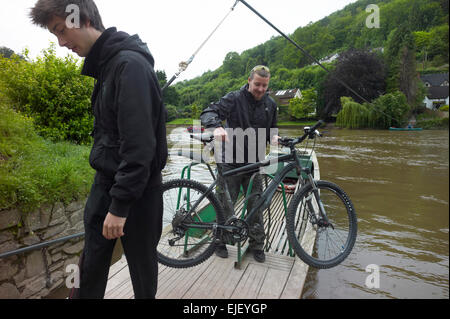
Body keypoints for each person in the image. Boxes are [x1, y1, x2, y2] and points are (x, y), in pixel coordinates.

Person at [30, 0, 168, 299]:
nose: (61, 42)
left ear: (82, 19)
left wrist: (119, 207)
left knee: (143, 272)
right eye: (55, 35)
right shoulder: (106, 67)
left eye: (61, 30)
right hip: (104, 185)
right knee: (89, 266)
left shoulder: (129, 66)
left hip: (139, 194)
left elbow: (140, 146)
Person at [200, 65, 279, 263]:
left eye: (265, 85)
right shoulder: (234, 98)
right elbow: (209, 111)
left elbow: (272, 131)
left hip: (253, 164)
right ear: (249, 80)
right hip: (230, 163)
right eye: (257, 84)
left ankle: (256, 245)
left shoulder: (270, 104)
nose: (261, 89)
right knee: (224, 205)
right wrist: (216, 126)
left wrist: (277, 138)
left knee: (256, 206)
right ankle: (219, 242)